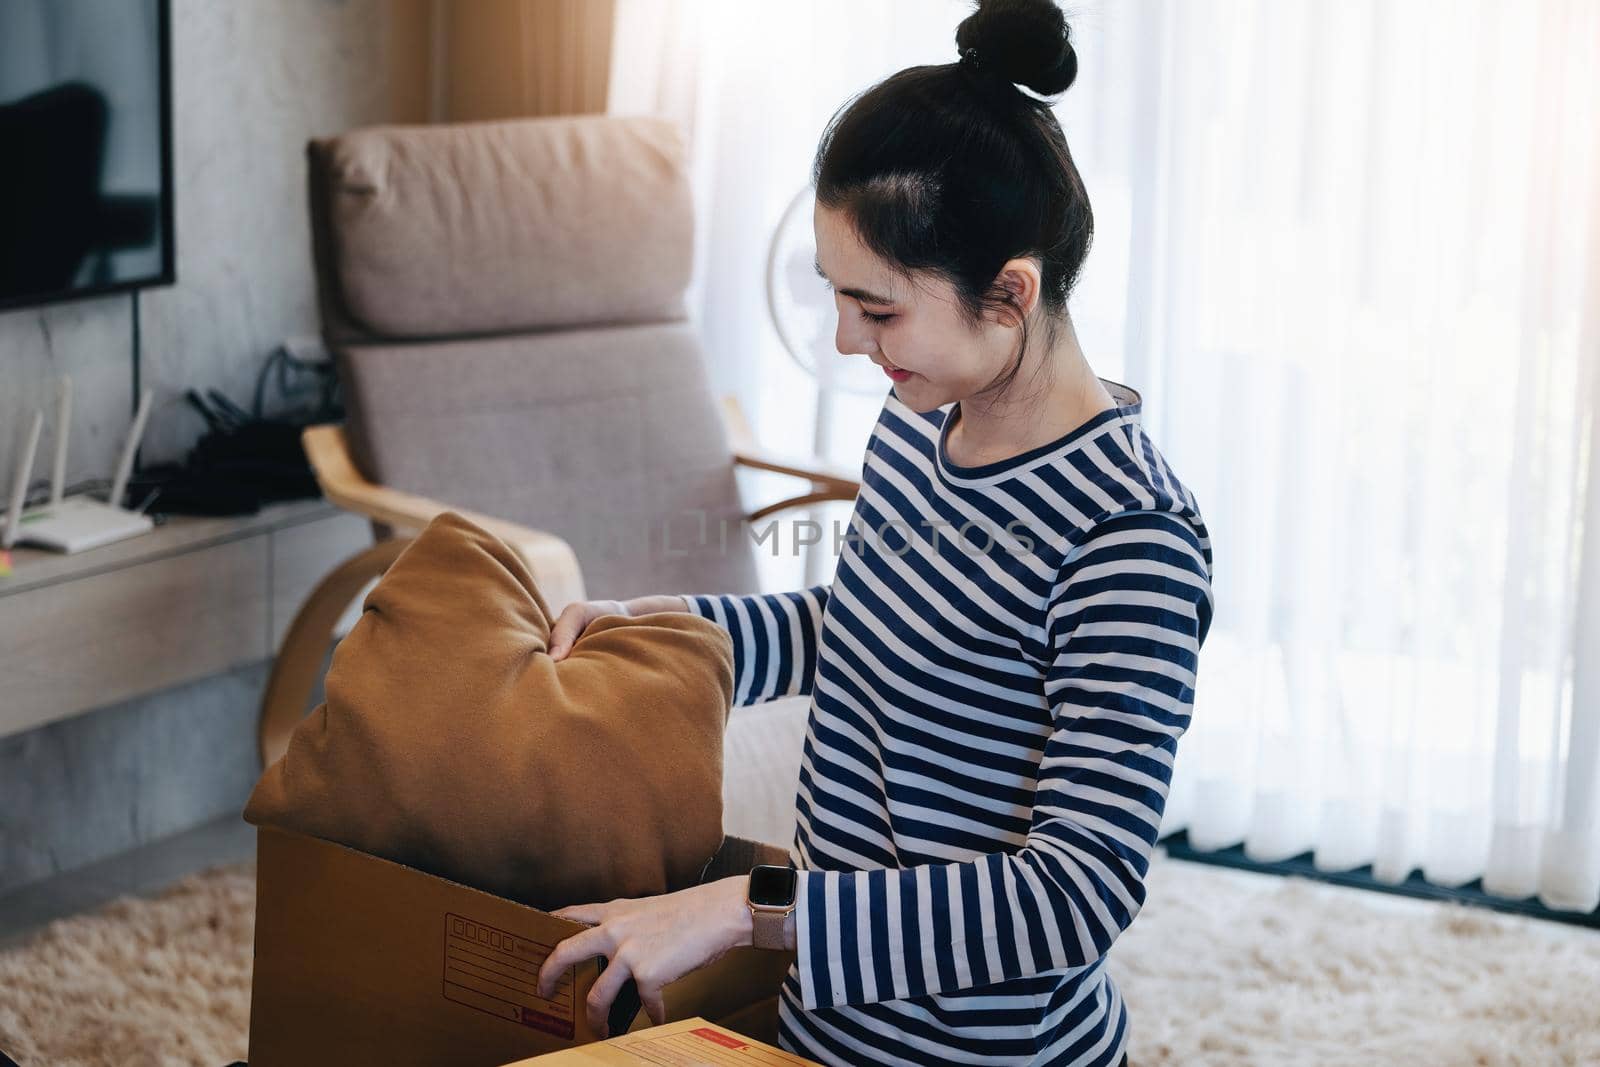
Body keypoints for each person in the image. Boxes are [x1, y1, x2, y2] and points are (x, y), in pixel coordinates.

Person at [533, 1, 1214, 1062]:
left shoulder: (1130, 535)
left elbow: (1072, 893)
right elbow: (866, 624)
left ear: (1008, 293)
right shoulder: (920, 416)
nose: (849, 340)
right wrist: (678, 631)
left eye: (880, 310)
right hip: (825, 1025)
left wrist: (739, 907)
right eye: (836, 298)